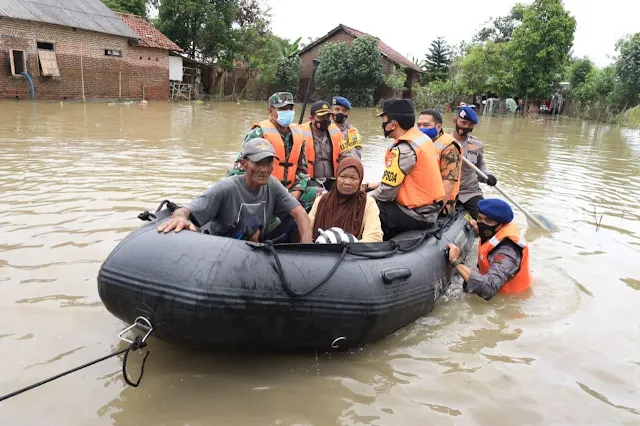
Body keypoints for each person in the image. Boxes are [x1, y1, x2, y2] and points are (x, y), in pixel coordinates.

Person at [158, 138, 313, 243]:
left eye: (269, 163)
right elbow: (185, 211)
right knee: (250, 224)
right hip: (224, 247)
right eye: (258, 163)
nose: (265, 169)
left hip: (258, 242)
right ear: (244, 164)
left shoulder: (272, 185)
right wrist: (180, 217)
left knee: (291, 222)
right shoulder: (226, 188)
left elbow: (299, 213)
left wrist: (306, 248)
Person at [364, 99, 445, 239]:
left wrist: (359, 199)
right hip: (429, 208)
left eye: (384, 121)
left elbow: (385, 194)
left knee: (366, 205)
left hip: (417, 214)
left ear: (393, 125)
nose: (382, 125)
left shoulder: (404, 149)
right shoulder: (422, 138)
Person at [227, 92, 312, 204]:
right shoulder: (258, 133)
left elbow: (302, 170)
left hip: (292, 190)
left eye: (290, 108)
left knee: (322, 197)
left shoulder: (298, 134)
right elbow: (241, 166)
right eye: (282, 109)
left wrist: (297, 192)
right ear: (270, 111)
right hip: (264, 189)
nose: (287, 111)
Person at [446, 198, 532, 300]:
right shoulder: (494, 232)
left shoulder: (507, 252)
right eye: (480, 218)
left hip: (511, 298)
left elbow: (489, 287)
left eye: (489, 221)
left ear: (501, 224)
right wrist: (478, 228)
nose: (482, 224)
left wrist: (456, 262)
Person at [308, 158, 383, 243]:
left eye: (353, 178)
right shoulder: (321, 200)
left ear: (360, 181)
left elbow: (374, 236)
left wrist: (350, 248)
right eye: (343, 176)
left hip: (352, 253)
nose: (347, 182)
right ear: (336, 178)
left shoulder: (367, 203)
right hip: (321, 251)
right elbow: (307, 230)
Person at [301, 100, 360, 192]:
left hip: (332, 180)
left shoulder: (335, 132)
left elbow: (346, 157)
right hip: (309, 181)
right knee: (322, 195)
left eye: (328, 116)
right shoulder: (299, 133)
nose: (325, 120)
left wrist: (355, 176)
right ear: (311, 119)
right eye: (321, 117)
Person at [452, 105, 498, 219]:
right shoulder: (442, 142)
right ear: (454, 121)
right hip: (447, 190)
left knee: (485, 219)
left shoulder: (477, 144)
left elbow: (480, 164)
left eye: (470, 124)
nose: (466, 126)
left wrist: (486, 176)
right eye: (463, 123)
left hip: (470, 191)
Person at [417, 109, 462, 216]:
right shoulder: (420, 141)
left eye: (426, 125)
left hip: (439, 203)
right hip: (420, 196)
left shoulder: (449, 147)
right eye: (418, 125)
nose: (421, 128)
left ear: (438, 127)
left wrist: (435, 210)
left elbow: (448, 183)